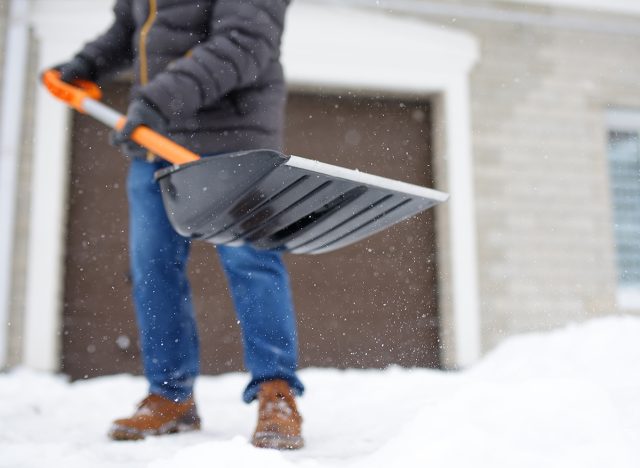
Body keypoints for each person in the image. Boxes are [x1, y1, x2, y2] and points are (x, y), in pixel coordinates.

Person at [53, 0, 304, 449]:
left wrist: (157, 99)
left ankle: (276, 390)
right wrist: (87, 64)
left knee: (251, 262)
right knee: (153, 269)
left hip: (234, 138)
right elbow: (132, 29)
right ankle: (171, 395)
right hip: (156, 141)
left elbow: (246, 44)